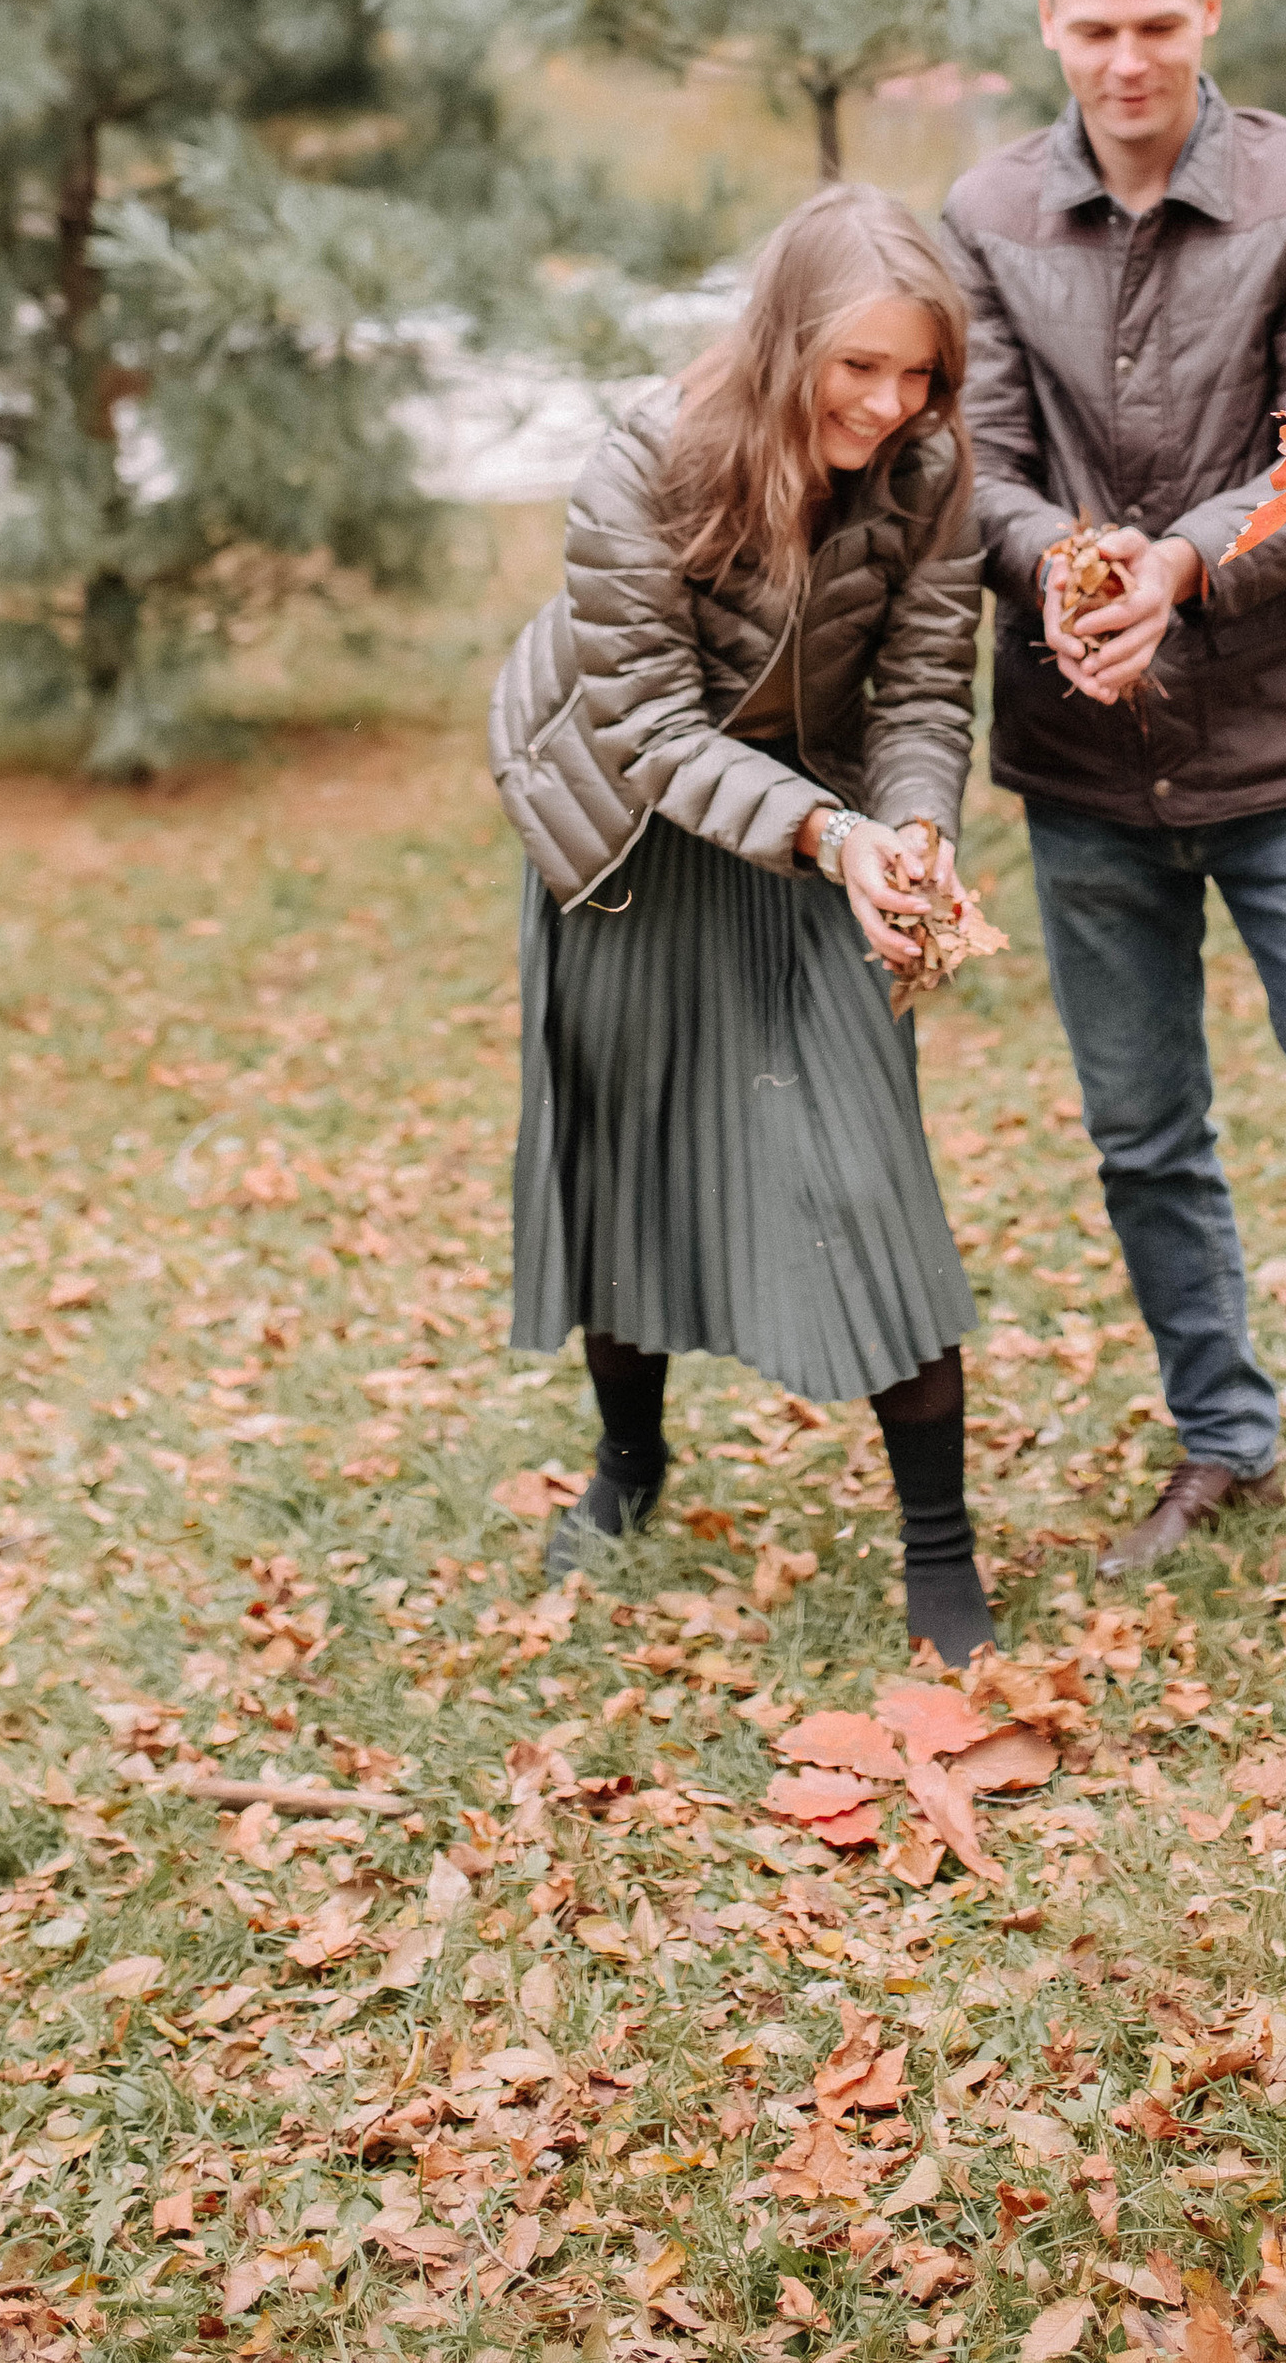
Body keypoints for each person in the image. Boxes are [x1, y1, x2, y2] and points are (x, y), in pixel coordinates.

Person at [941, 0, 1286, 1576]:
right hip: (1081, 759)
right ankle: (1222, 1439)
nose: (1128, 60)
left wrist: (1186, 562)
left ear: (1211, 11)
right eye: (1096, 30)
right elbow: (977, 464)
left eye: (1160, 26)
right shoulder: (988, 210)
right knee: (1144, 1134)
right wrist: (1069, 564)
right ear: (1047, 23)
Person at [488, 184, 995, 1664]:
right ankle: (630, 1462)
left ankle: (942, 1555)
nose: (893, 405)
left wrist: (912, 831)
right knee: (628, 1161)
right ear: (787, 347)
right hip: (629, 834)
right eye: (861, 370)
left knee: (871, 1172)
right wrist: (829, 832)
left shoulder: (930, 470)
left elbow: (920, 689)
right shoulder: (646, 462)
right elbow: (644, 726)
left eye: (920, 375)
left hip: (821, 829)